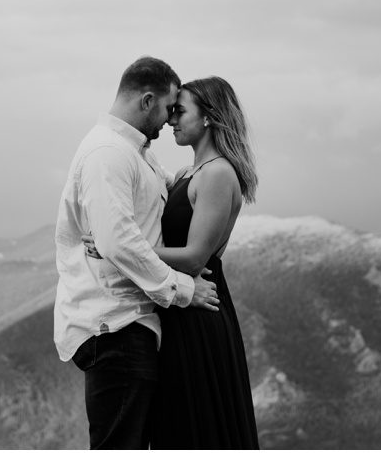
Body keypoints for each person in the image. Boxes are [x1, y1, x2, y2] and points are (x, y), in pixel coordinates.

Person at [85, 75, 260, 448]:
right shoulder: (185, 173)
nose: (171, 120)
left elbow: (196, 257)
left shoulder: (217, 173)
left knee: (196, 427)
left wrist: (115, 249)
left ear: (209, 117)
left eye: (180, 112)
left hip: (199, 308)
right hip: (178, 307)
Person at [54, 56, 220, 450]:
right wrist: (183, 289)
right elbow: (117, 242)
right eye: (167, 108)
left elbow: (161, 194)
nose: (169, 120)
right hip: (115, 327)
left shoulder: (135, 152)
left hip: (130, 326)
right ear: (147, 100)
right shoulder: (107, 153)